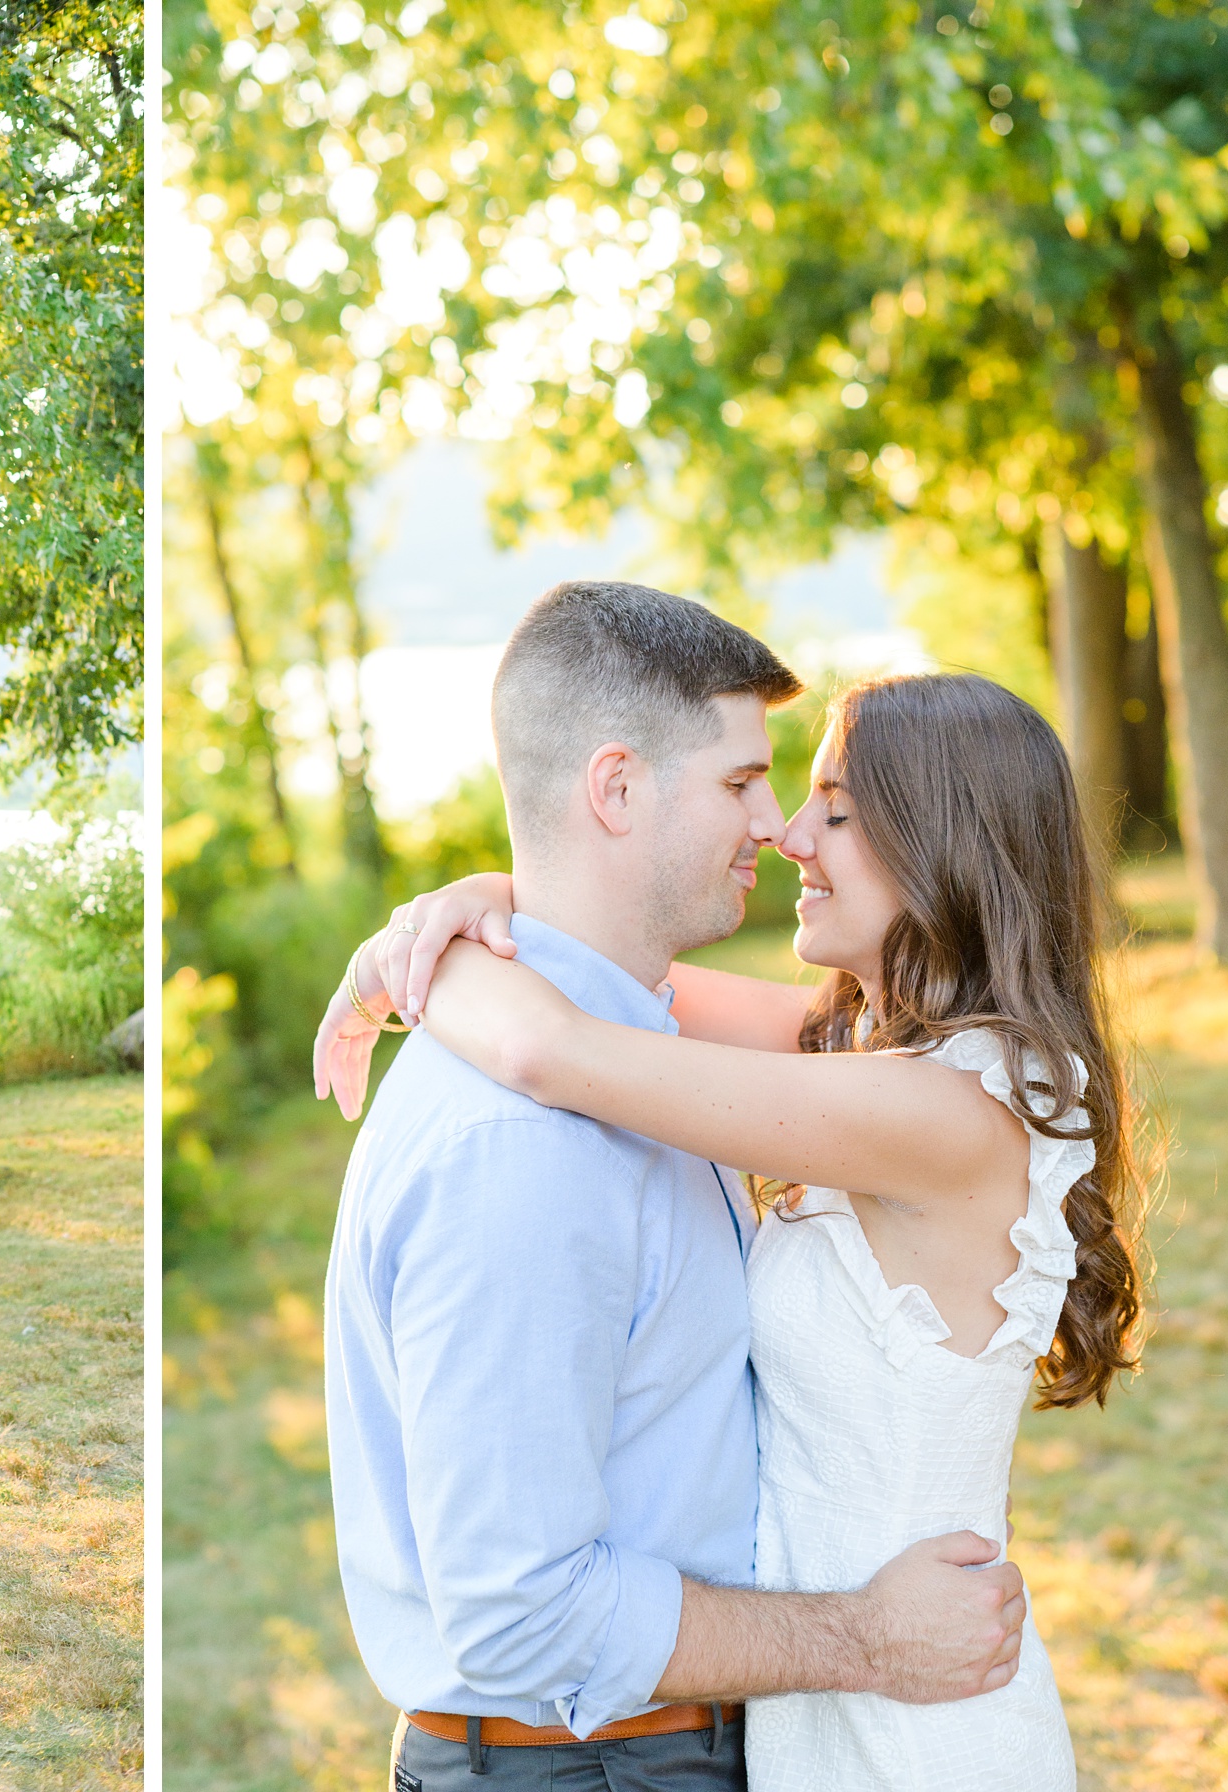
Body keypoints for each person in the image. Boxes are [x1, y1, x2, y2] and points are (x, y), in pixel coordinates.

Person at [307, 583, 1086, 1792]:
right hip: (801, 1694)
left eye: (828, 807)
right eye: (751, 785)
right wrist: (461, 917)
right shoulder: (841, 1062)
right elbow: (602, 1007)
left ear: (937, 843)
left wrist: (413, 959)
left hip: (911, 1707)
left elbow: (556, 1046)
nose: (782, 832)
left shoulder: (947, 1106)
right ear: (616, 788)